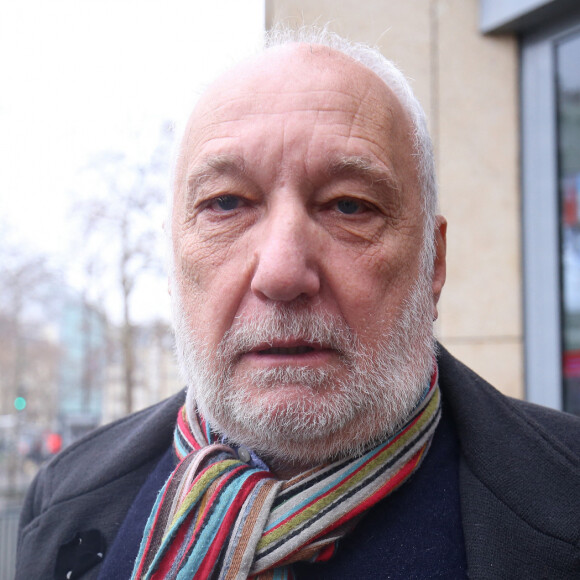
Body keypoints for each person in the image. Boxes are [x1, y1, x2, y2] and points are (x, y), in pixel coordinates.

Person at [17, 29, 580, 580]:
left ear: (432, 264)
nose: (283, 272)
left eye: (350, 206)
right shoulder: (61, 495)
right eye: (226, 203)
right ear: (173, 262)